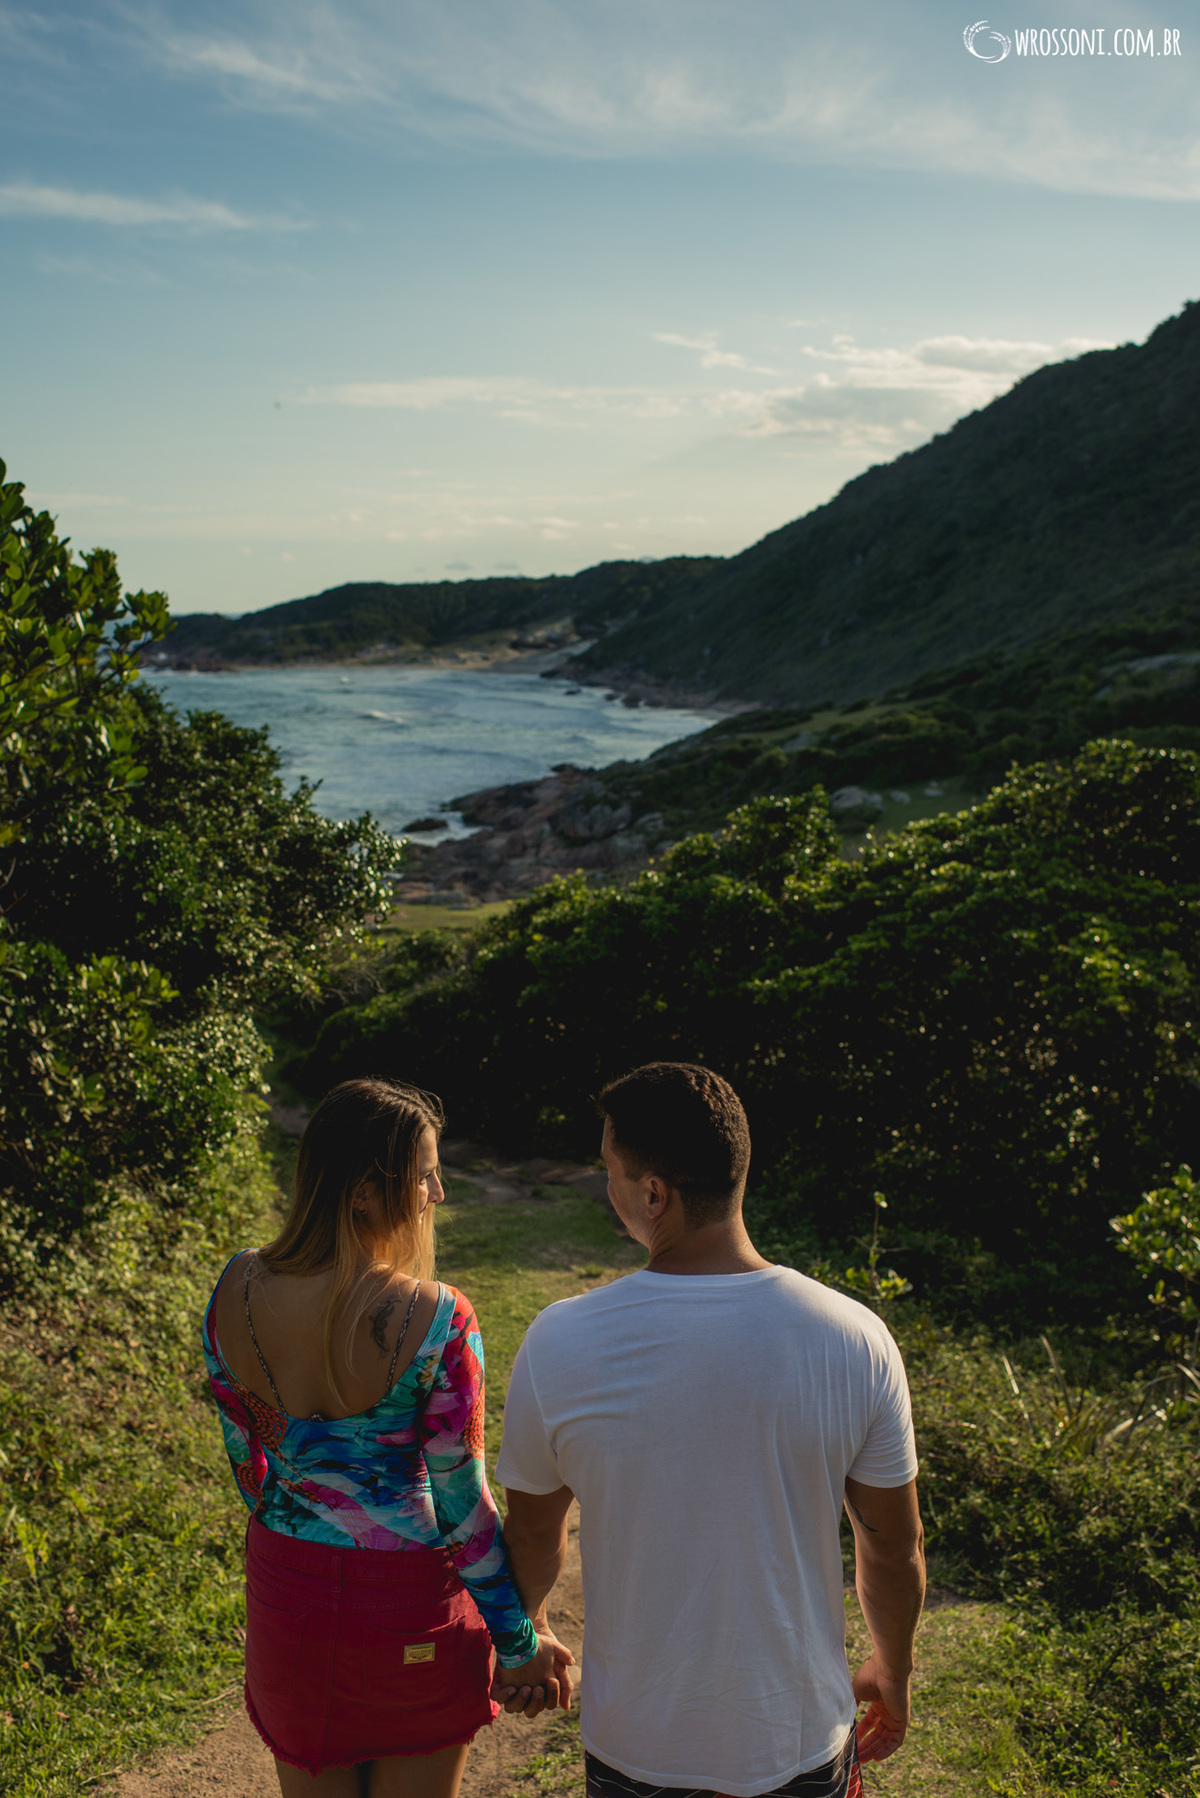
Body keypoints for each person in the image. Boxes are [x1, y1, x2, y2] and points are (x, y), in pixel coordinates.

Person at [493, 1061, 924, 1798]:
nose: (608, 1190)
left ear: (653, 1193)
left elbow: (535, 1534)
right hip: (798, 1740)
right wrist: (894, 1670)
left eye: (612, 1173)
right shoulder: (855, 1336)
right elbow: (890, 1545)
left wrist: (522, 1637)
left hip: (636, 1745)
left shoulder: (561, 1340)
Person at [202, 1077, 573, 1798]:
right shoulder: (438, 1318)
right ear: (367, 1190)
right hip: (409, 1608)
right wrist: (519, 1643)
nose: (439, 1194)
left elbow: (248, 1465)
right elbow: (463, 1508)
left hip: (288, 1592)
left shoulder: (234, 1286)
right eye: (428, 1175)